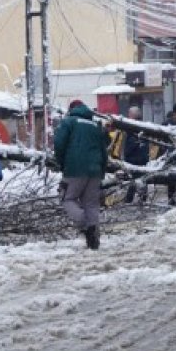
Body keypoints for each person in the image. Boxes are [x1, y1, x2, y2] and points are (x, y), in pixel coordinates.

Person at [54, 99, 108, 249]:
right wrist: (101, 171)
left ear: (71, 109)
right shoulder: (96, 126)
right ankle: (94, 241)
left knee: (67, 198)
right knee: (91, 204)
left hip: (74, 168)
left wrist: (62, 163)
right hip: (95, 170)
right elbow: (104, 152)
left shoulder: (69, 122)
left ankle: (86, 225)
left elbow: (59, 143)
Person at [121, 106, 150, 203]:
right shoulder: (144, 126)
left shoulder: (132, 126)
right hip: (142, 158)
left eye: (129, 113)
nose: (128, 115)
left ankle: (130, 200)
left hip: (134, 158)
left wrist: (126, 154)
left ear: (133, 115)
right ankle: (143, 198)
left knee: (133, 180)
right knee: (142, 179)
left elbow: (129, 143)